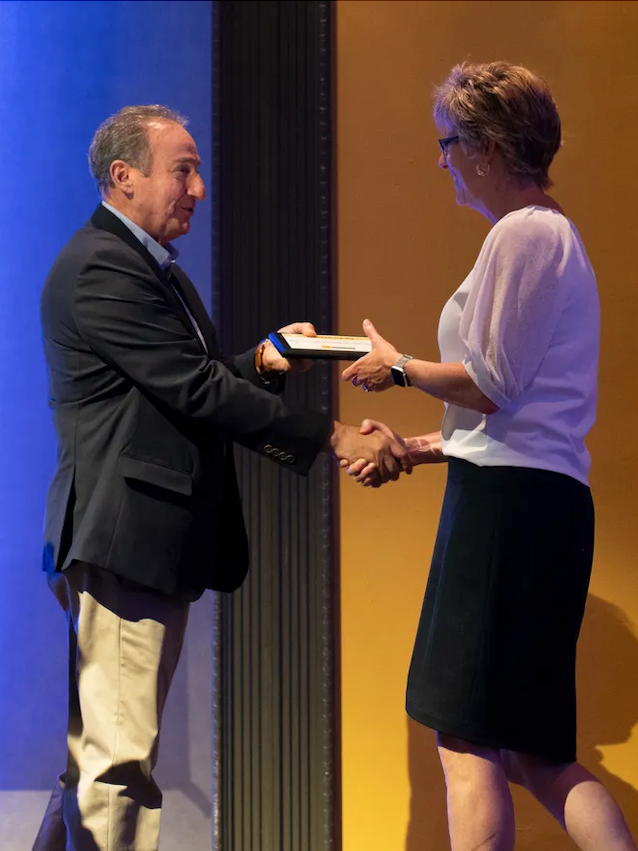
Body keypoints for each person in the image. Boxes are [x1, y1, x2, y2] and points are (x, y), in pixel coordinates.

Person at [35, 104, 409, 851]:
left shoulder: (141, 264)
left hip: (138, 543)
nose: (199, 187)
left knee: (98, 761)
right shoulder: (104, 265)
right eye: (183, 169)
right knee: (116, 768)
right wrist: (333, 433)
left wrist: (264, 361)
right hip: (122, 541)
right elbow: (194, 391)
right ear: (124, 177)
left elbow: (187, 385)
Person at [342, 62, 636, 851]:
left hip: (509, 517)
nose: (441, 161)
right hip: (525, 504)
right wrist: (416, 444)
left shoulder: (526, 233)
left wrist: (396, 368)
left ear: (490, 145)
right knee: (536, 754)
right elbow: (512, 420)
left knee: (467, 741)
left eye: (448, 143)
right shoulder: (544, 236)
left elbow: (494, 385)